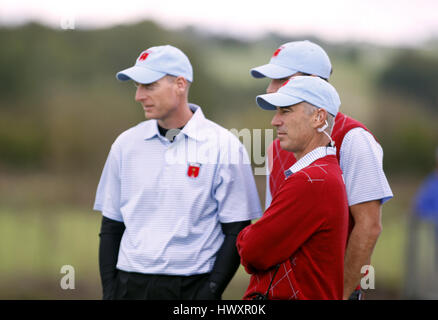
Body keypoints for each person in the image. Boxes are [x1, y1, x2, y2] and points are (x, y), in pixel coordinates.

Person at [93, 45, 262, 300]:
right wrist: (110, 292)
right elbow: (111, 226)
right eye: (137, 87)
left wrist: (210, 293)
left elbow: (236, 231)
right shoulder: (125, 144)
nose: (139, 96)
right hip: (129, 284)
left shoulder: (224, 146)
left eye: (149, 86)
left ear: (180, 84)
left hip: (192, 287)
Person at [250, 40, 393, 299]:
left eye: (280, 79)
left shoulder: (354, 138)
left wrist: (343, 292)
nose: (270, 89)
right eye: (270, 80)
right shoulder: (275, 147)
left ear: (314, 81)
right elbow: (274, 230)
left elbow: (369, 226)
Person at [237, 76, 349, 300]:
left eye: (285, 111)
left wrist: (244, 236)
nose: (275, 121)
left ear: (318, 117)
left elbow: (253, 251)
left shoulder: (311, 180)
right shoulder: (320, 174)